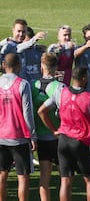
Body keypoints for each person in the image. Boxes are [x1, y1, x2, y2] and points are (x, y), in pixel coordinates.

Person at [38, 67, 90, 201]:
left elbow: (41, 111)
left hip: (63, 140)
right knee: (89, 181)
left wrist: (54, 130)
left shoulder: (61, 93)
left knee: (65, 180)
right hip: (81, 141)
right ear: (84, 79)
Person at [0, 53, 37, 201]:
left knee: (2, 175)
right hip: (19, 137)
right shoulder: (23, 84)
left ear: (4, 65)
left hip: (1, 136)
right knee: (23, 177)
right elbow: (27, 113)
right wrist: (32, 136)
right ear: (19, 66)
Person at [31, 52, 65, 201]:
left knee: (44, 177)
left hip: (40, 136)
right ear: (56, 67)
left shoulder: (33, 85)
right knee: (64, 176)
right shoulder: (60, 87)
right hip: (58, 136)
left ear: (41, 67)